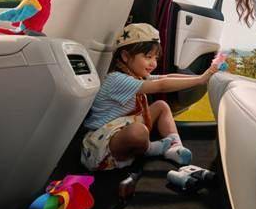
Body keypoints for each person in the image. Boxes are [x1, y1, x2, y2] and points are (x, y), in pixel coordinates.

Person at [80, 23, 219, 171]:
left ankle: (174, 147)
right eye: (148, 57)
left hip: (120, 128)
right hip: (102, 146)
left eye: (156, 58)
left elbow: (166, 77)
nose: (153, 63)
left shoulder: (135, 76)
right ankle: (151, 149)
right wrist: (200, 80)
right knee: (138, 132)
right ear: (125, 56)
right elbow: (161, 85)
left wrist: (202, 77)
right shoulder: (117, 79)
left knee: (161, 106)